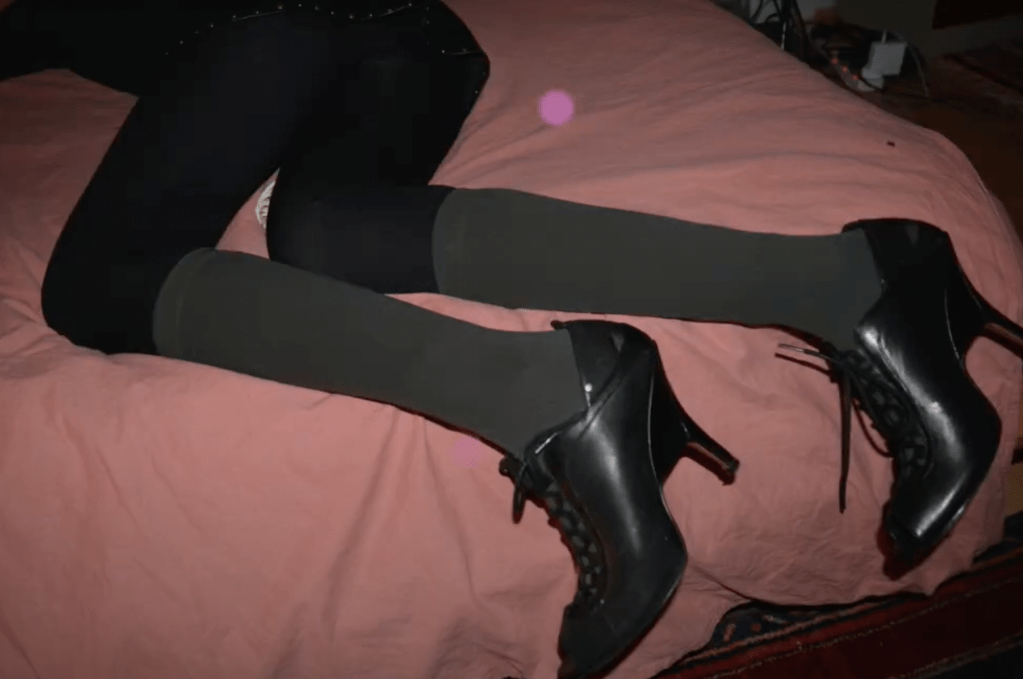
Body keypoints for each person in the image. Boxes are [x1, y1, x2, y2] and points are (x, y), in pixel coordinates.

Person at [3, 1, 1021, 677]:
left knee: (99, 281)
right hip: (412, 41)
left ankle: (543, 391)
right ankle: (849, 283)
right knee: (321, 229)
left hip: (287, 23)